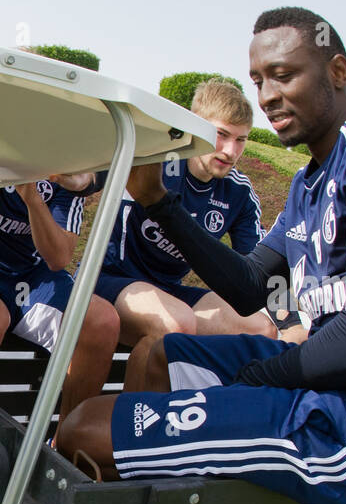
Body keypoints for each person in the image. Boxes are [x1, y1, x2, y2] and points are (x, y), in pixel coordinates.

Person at [55, 7, 346, 504]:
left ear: (337, 72)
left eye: (284, 74)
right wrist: (159, 202)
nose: (267, 95)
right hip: (326, 385)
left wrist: (255, 380)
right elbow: (251, 286)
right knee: (157, 356)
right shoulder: (308, 184)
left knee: (85, 431)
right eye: (258, 80)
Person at [0, 169, 120, 439]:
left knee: (101, 321)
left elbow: (58, 257)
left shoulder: (65, 168)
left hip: (32, 276)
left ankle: (68, 445)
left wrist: (31, 197)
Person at [92, 79, 277, 345]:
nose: (230, 151)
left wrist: (291, 320)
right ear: (196, 125)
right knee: (176, 323)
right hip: (110, 278)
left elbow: (256, 271)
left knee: (261, 330)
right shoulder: (155, 160)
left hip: (170, 289)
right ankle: (135, 390)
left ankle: (203, 387)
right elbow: (95, 173)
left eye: (241, 140)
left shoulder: (239, 192)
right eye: (221, 134)